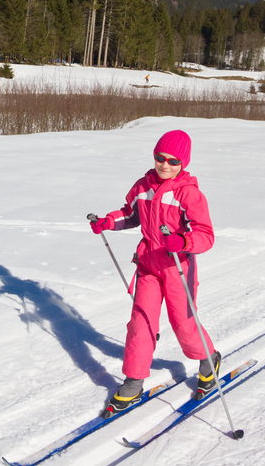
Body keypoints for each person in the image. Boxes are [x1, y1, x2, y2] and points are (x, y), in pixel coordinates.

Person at [89, 129, 221, 418]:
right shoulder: (143, 186)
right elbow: (131, 214)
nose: (165, 165)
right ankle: (134, 380)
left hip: (177, 267)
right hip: (148, 265)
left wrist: (184, 241)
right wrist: (108, 223)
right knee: (141, 323)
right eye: (160, 158)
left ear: (182, 164)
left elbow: (206, 235)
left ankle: (208, 360)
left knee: (184, 324)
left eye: (173, 161)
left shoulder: (189, 193)